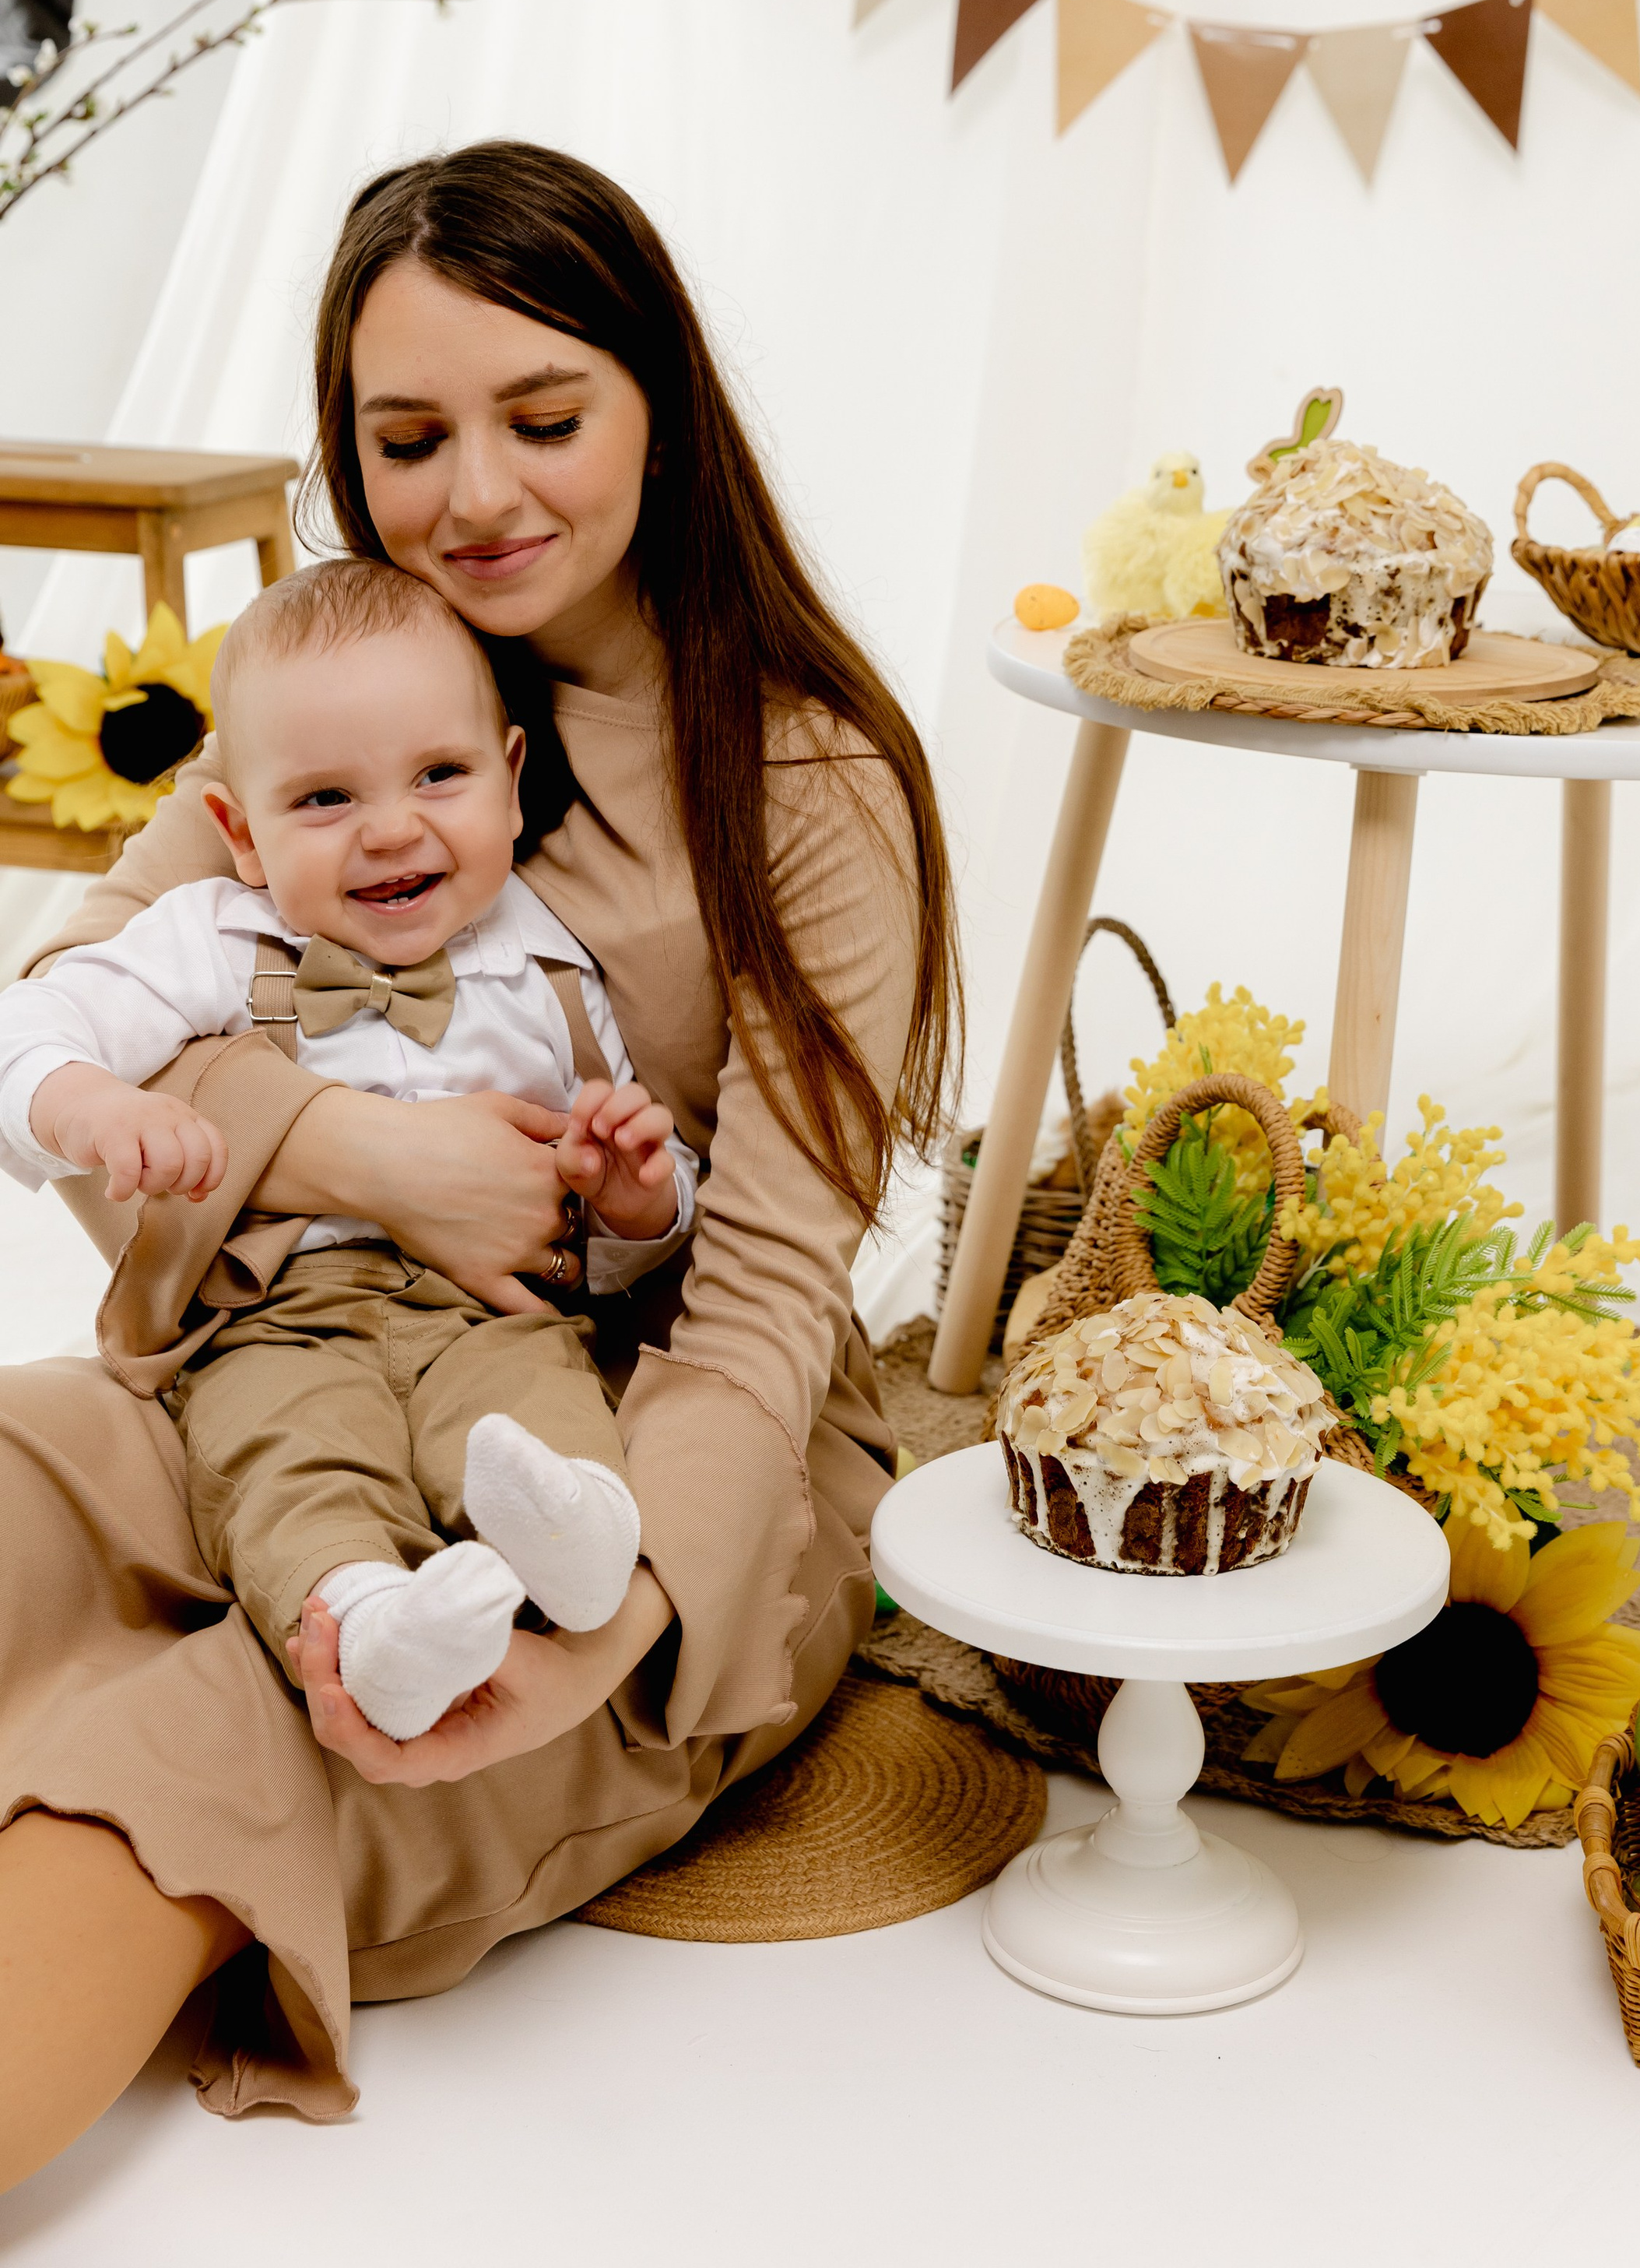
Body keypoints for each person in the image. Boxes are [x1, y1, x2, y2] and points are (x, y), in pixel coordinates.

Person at [0, 140, 958, 2193]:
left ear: (658, 405)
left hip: (652, 1441)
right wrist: (372, 1150)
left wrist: (595, 1628)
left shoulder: (810, 787)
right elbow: (69, 1047)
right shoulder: (334, 712)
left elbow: (771, 1305)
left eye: (545, 417)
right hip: (287, 1355)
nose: (480, 496)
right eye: (409, 436)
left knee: (179, 1756)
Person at [0, 556, 701, 1740]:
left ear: (511, 778)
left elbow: (626, 1241)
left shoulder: (549, 969)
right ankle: (369, 1619)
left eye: (441, 774)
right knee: (281, 1448)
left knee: (533, 1413)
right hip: (280, 1311)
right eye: (325, 799)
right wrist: (94, 1108)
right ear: (242, 830)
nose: (391, 829)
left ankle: (576, 1548)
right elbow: (34, 1022)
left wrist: (633, 1196)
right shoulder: (216, 937)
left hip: (499, 1312)